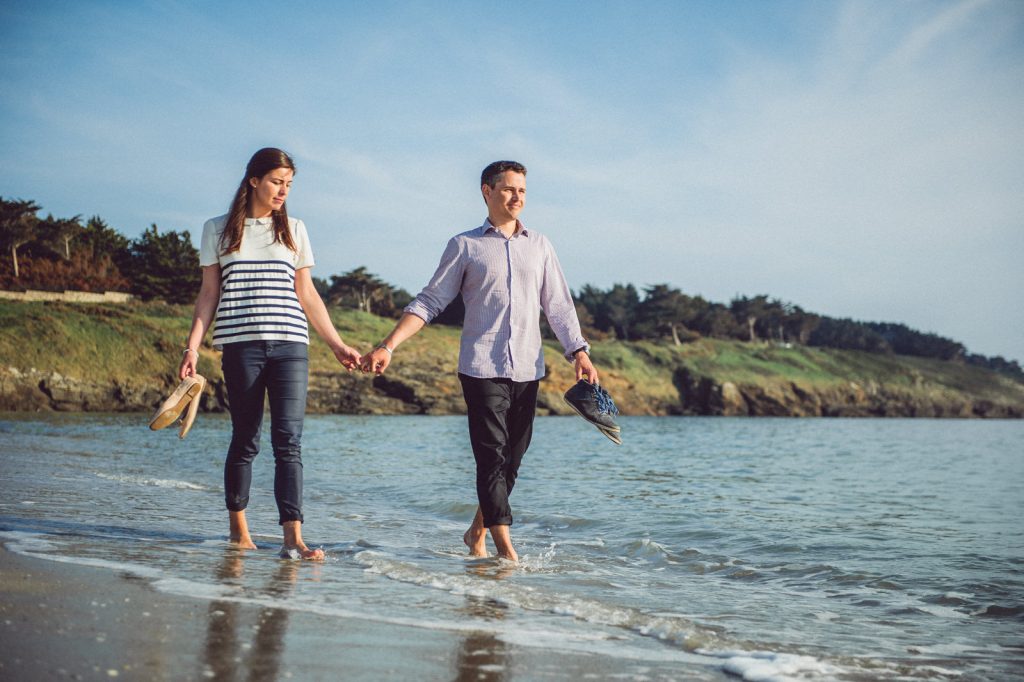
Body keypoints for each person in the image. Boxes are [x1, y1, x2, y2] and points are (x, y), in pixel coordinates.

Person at [361, 160, 600, 561]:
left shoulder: (540, 245)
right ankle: (506, 550)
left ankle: (476, 532)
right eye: (508, 189)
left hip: (528, 367)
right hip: (481, 366)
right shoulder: (465, 246)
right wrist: (389, 345)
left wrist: (579, 352)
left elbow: (558, 305)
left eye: (522, 190)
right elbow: (430, 301)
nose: (517, 197)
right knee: (491, 456)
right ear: (487, 192)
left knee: (512, 460)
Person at [179, 147, 362, 561]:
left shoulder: (294, 229)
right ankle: (239, 532)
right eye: (277, 182)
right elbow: (209, 293)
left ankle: (293, 538)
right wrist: (192, 347)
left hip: (291, 345)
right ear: (254, 180)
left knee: (288, 442)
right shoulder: (217, 229)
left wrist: (336, 344)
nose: (283, 191)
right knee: (245, 439)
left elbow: (307, 293)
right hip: (240, 345)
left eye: (289, 184)